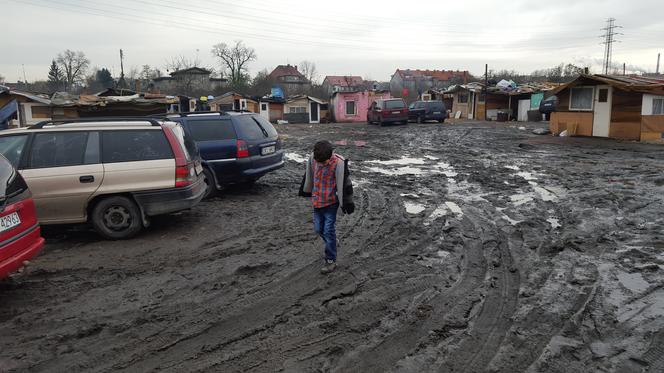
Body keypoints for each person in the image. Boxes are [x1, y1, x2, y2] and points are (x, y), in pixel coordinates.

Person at [299, 140, 354, 274]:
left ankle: (330, 260)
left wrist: (349, 202)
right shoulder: (313, 159)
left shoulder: (339, 163)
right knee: (319, 230)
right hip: (317, 203)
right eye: (319, 162)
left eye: (323, 162)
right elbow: (309, 175)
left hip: (331, 204)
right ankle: (333, 242)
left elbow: (347, 185)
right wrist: (305, 191)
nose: (321, 164)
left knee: (328, 230)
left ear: (330, 156)